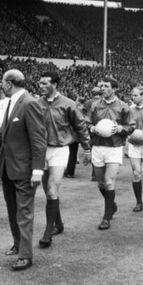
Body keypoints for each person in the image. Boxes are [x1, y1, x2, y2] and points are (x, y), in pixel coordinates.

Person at [0, 69, 47, 271]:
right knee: (13, 210)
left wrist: (37, 170)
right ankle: (18, 244)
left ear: (9, 84)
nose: (0, 85)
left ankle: (26, 256)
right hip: (8, 168)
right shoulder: (12, 102)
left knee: (23, 212)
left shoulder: (29, 103)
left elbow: (39, 140)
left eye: (2, 82)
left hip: (23, 169)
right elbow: (1, 135)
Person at [36, 71, 92, 247]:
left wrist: (87, 148)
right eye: (40, 83)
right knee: (47, 192)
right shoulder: (37, 103)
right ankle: (58, 224)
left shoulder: (69, 104)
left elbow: (80, 126)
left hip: (60, 150)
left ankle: (47, 233)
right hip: (41, 150)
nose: (41, 86)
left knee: (52, 190)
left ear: (55, 85)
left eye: (45, 83)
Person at [86, 76, 135, 230]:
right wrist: (91, 128)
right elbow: (86, 122)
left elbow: (131, 126)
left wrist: (122, 129)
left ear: (114, 89)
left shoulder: (123, 106)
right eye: (101, 86)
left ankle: (106, 217)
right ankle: (111, 205)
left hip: (114, 147)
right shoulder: (94, 105)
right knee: (100, 183)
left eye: (106, 86)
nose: (103, 89)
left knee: (109, 181)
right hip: (98, 146)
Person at [82, 83, 104, 181]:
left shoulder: (87, 102)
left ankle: (94, 174)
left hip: (90, 129)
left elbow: (82, 116)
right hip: (103, 129)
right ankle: (100, 173)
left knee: (93, 151)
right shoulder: (103, 102)